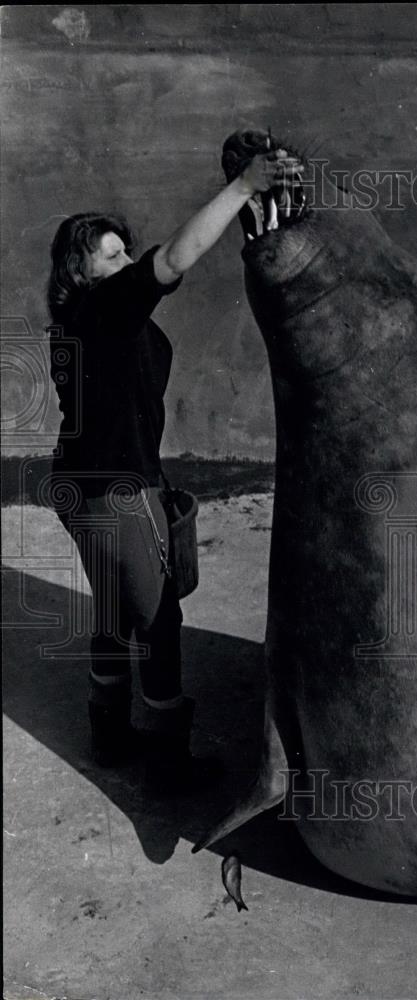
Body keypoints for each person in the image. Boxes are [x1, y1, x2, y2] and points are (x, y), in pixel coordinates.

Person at [46, 145, 301, 794]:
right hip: (111, 493)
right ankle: (167, 760)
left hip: (83, 485)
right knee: (158, 624)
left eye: (123, 252)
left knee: (112, 610)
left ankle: (108, 732)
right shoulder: (102, 311)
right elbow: (176, 257)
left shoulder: (79, 321)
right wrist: (245, 186)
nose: (126, 263)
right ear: (80, 271)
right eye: (111, 256)